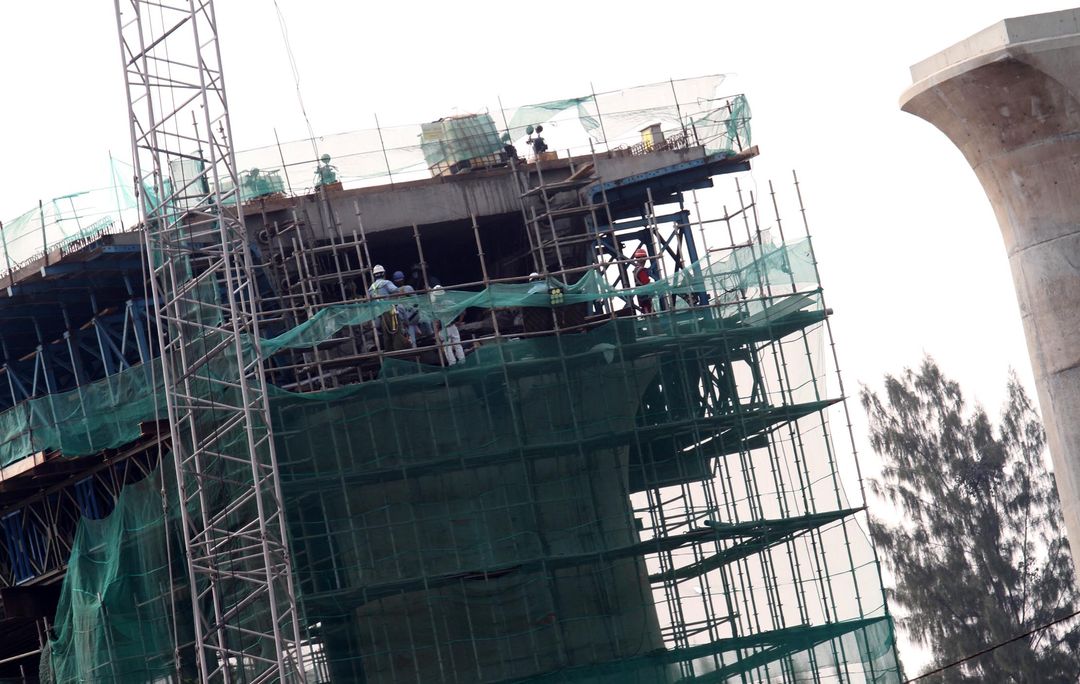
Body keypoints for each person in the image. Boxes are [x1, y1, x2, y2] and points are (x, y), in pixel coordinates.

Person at [368, 265, 406, 351]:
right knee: (396, 332)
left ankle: (390, 352)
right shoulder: (386, 283)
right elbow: (396, 291)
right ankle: (399, 352)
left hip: (380, 314)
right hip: (390, 312)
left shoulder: (371, 288)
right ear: (384, 274)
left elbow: (371, 302)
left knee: (386, 335)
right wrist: (394, 302)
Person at [431, 285, 465, 366]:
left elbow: (436, 321)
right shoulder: (450, 303)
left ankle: (452, 364)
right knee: (457, 344)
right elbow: (463, 310)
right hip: (452, 326)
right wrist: (459, 321)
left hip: (443, 328)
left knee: (447, 347)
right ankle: (462, 361)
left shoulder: (435, 306)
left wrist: (436, 334)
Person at [632, 248, 654, 314]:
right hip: (645, 296)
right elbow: (646, 282)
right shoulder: (641, 271)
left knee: (647, 311)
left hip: (641, 297)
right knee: (650, 313)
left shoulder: (636, 269)